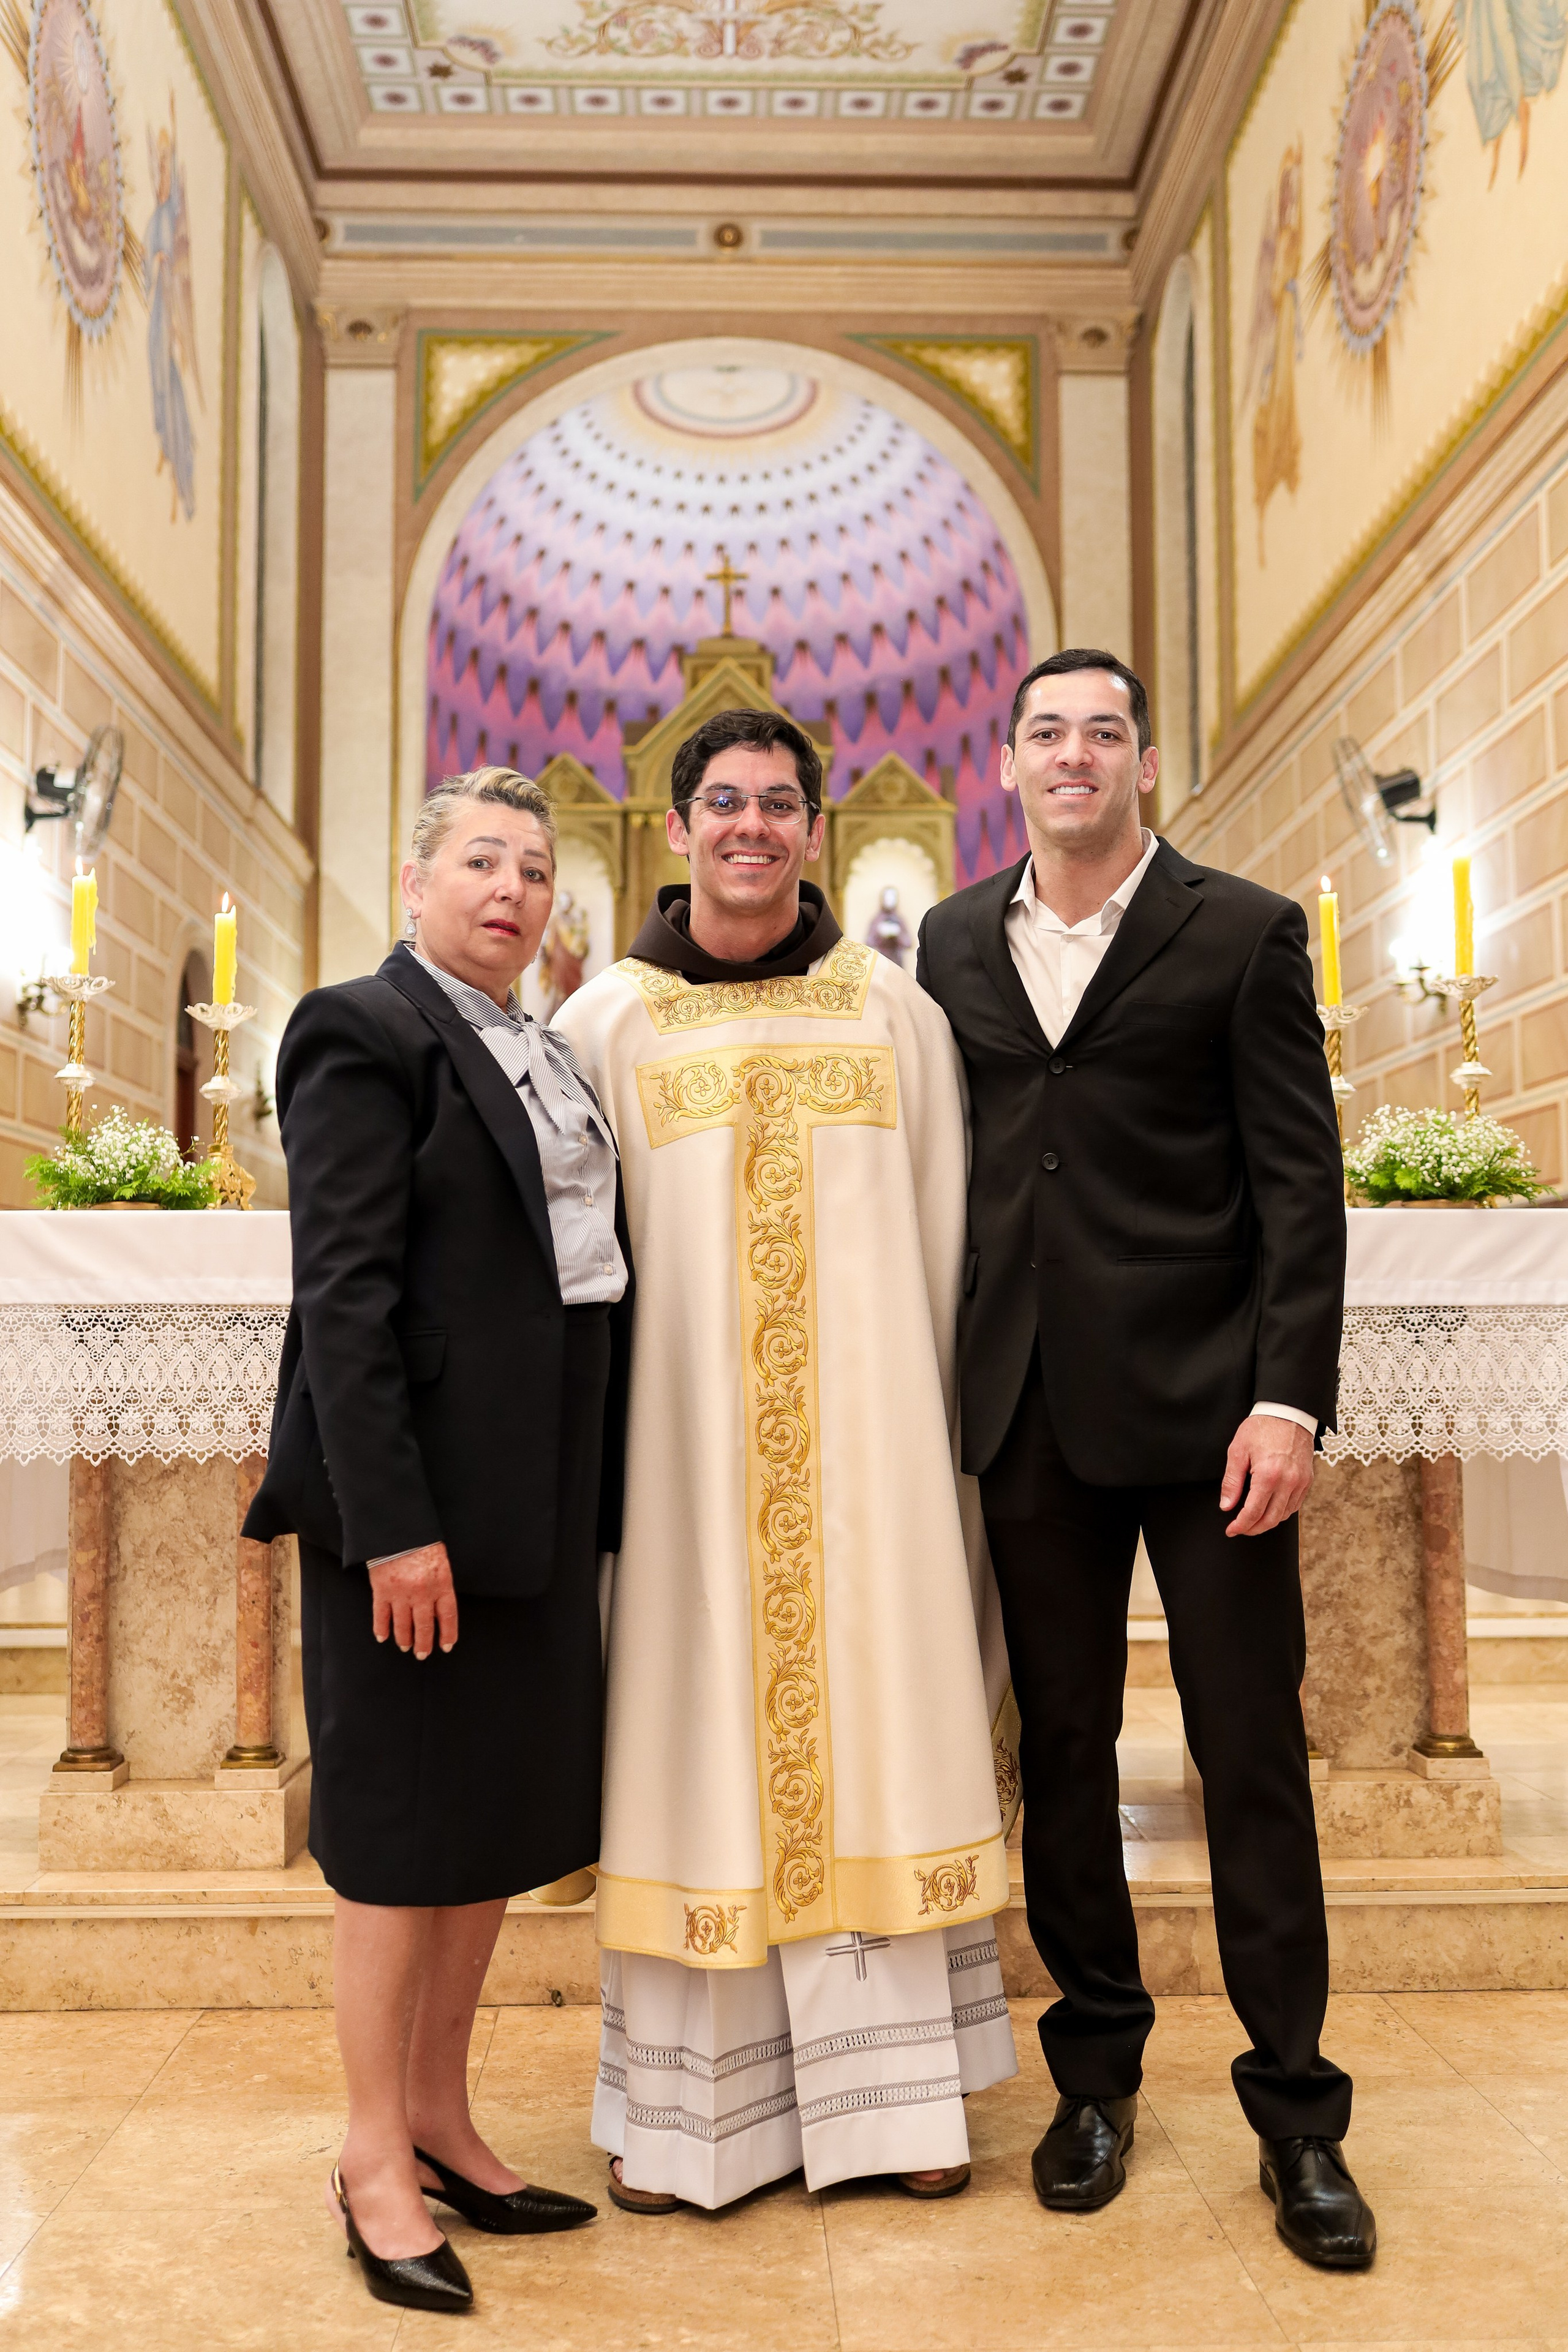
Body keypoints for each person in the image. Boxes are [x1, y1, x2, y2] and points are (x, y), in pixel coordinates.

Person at [917, 650, 1376, 2271]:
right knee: (1063, 1747)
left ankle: (1299, 2115)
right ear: (1010, 761)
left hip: (1208, 1423)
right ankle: (1095, 2078)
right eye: (1048, 731)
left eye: (1104, 732)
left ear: (1143, 761)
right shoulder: (954, 940)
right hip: (1030, 1413)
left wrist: (1287, 1402)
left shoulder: (1243, 931)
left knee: (1249, 1754)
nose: (1075, 756)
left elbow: (1297, 1192)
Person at [553, 706, 1018, 2216]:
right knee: (695, 1747)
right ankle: (696, 2125)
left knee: (879, 1732)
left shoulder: (891, 1012)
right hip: (684, 1469)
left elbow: (949, 1231)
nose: (749, 827)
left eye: (777, 804)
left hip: (871, 1467)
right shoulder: (604, 1022)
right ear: (677, 827)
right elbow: (564, 1263)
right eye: (722, 803)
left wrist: (928, 1449)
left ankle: (895, 2113)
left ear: (813, 831)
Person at [244, 767, 633, 2313]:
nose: (511, 892)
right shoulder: (363, 1030)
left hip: (531, 1514)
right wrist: (395, 1530)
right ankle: (368, 2159)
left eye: (533, 872)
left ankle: (444, 2119)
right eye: (481, 862)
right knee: (402, 1844)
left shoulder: (542, 1047)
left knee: (487, 1829)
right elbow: (341, 1295)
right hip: (411, 1528)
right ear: (414, 881)